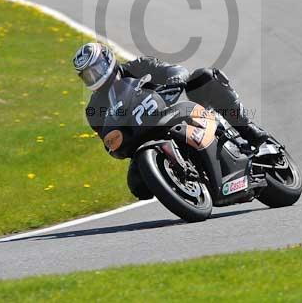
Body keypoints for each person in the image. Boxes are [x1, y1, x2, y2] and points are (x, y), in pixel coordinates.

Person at [72, 42, 269, 198]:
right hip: (142, 139)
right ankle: (180, 179)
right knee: (138, 187)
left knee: (204, 77)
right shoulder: (94, 110)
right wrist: (114, 146)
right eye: (88, 76)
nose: (94, 77)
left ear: (107, 60)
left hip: (172, 113)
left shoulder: (139, 66)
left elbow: (175, 70)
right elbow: (109, 141)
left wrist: (175, 79)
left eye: (96, 70)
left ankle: (246, 128)